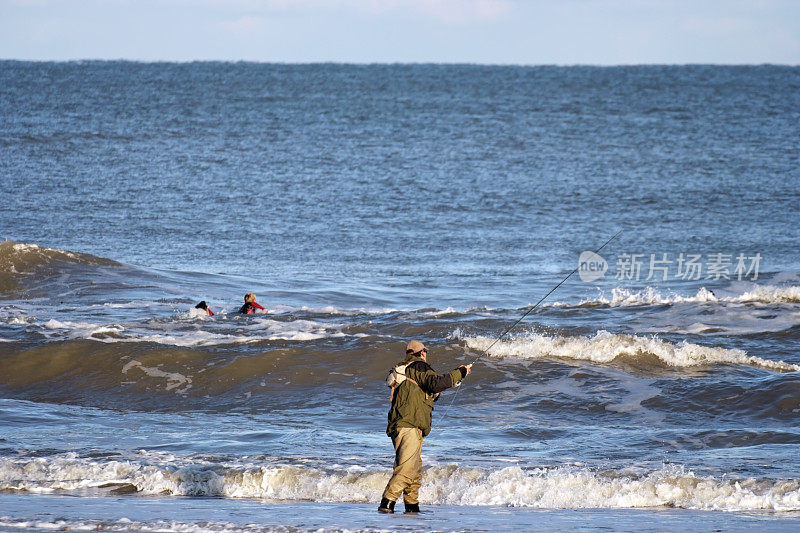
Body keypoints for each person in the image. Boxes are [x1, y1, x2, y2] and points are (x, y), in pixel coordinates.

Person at [378, 340, 471, 514]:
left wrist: (456, 378)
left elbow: (429, 392)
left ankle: (411, 507)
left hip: (402, 425)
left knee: (413, 469)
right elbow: (436, 383)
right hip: (410, 426)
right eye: (425, 352)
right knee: (407, 469)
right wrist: (461, 372)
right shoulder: (418, 366)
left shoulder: (405, 369)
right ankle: (387, 502)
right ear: (421, 353)